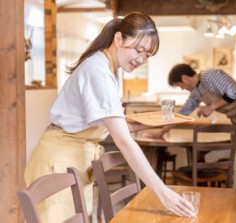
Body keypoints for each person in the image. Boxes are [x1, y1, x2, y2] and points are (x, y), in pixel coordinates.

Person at [24, 13, 195, 222]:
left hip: (75, 158)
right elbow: (122, 139)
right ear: (118, 39)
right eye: (138, 49)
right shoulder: (98, 70)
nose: (141, 59)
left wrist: (154, 123)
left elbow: (113, 127)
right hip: (59, 160)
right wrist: (162, 191)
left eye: (148, 55)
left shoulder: (109, 68)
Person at [147, 63, 236, 190]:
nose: (182, 89)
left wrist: (211, 106)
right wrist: (161, 132)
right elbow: (182, 113)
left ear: (185, 79)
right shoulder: (196, 92)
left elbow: (233, 93)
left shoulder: (210, 75)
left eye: (179, 86)